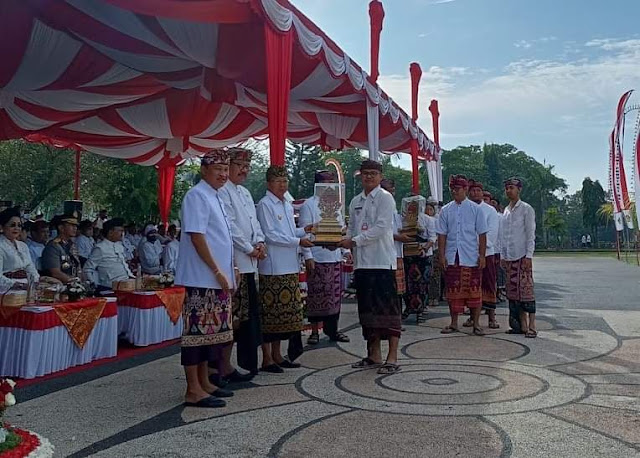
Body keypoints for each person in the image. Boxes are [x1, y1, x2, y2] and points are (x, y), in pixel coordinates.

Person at [175, 149, 237, 408]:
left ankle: (204, 382)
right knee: (196, 336)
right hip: (202, 278)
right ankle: (192, 389)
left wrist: (230, 269)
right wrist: (216, 270)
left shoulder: (215, 196)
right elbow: (197, 236)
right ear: (204, 170)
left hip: (216, 278)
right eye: (217, 170)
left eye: (225, 170)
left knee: (211, 335)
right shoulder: (197, 195)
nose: (223, 174)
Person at [339, 160, 401, 375]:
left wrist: (355, 241)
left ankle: (392, 356)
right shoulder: (356, 200)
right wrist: (343, 244)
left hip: (382, 262)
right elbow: (351, 228)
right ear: (360, 176)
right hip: (362, 263)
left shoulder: (386, 198)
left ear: (380, 176)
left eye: (373, 174)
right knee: (367, 312)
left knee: (389, 311)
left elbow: (382, 227)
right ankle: (373, 354)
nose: (369, 177)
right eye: (365, 174)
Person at [256, 165, 314, 373]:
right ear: (268, 184)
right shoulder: (265, 205)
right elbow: (271, 235)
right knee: (270, 315)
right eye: (278, 181)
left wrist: (303, 231)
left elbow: (289, 231)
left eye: (285, 180)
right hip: (273, 267)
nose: (283, 185)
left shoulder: (287, 204)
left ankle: (278, 355)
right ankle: (267, 358)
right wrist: (299, 241)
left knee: (285, 316)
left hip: (289, 265)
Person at [218, 147, 266, 378]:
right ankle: (223, 365)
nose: (244, 170)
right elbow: (230, 227)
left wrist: (259, 242)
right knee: (232, 318)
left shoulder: (245, 194)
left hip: (250, 265)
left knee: (246, 319)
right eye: (240, 165)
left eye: (247, 166)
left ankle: (239, 363)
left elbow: (254, 223)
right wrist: (249, 248)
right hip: (234, 263)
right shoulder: (223, 191)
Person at [299, 170, 350, 345]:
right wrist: (308, 256)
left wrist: (345, 251)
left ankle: (332, 330)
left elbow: (342, 226)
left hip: (334, 254)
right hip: (317, 254)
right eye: (327, 182)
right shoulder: (309, 205)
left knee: (334, 296)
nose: (330, 185)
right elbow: (305, 231)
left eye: (332, 182)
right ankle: (314, 331)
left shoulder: (336, 203)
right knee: (316, 295)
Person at [436, 175, 488, 336]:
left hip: (471, 256)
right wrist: (442, 255)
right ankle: (453, 323)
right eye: (452, 189)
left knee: (474, 290)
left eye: (457, 189)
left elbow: (482, 234)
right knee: (452, 291)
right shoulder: (446, 210)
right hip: (453, 256)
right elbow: (442, 235)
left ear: (465, 189)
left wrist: (482, 255)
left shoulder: (476, 209)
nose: (454, 192)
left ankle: (476, 323)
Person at [501, 177, 537, 338]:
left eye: (512, 188)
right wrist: (503, 255)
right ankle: (520, 325)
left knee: (526, 292)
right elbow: (503, 235)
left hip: (522, 256)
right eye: (507, 188)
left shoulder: (526, 209)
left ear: (519, 189)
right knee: (513, 294)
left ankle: (532, 326)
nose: (509, 190)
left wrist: (529, 255)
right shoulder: (506, 211)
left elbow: (530, 234)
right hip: (509, 257)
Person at [464, 181, 501, 329]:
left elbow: (491, 234)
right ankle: (473, 317)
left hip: (487, 253)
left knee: (489, 284)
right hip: (470, 255)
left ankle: (492, 318)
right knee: (472, 286)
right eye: (472, 191)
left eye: (478, 190)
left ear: (482, 192)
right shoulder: (465, 209)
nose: (475, 193)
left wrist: (479, 246)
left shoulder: (490, 211)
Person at [380, 179, 410, 320]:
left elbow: (396, 229)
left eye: (392, 191)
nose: (391, 193)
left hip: (397, 253)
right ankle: (389, 319)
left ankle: (395, 318)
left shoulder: (395, 210)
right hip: (385, 254)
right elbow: (381, 232)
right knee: (388, 289)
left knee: (398, 290)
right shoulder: (379, 208)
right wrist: (399, 237)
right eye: (388, 190)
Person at [84, 218, 133, 290]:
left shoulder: (119, 245)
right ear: (110, 232)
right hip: (110, 287)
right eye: (120, 231)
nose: (122, 234)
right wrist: (94, 285)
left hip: (126, 282)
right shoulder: (100, 248)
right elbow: (87, 269)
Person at [0, 207, 40, 292]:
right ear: (2, 227)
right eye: (12, 225)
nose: (17, 228)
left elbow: (31, 269)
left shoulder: (23, 246)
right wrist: (18, 285)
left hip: (28, 289)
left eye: (19, 225)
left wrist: (34, 282)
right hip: (7, 292)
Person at [41, 214, 81, 283]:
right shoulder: (53, 247)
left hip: (73, 285)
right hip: (58, 286)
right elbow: (56, 273)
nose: (75, 228)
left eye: (76, 226)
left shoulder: (72, 245)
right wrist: (75, 284)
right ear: (61, 228)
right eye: (72, 225)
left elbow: (78, 269)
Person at [425, 201, 441, 307]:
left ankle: (435, 296)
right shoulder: (421, 220)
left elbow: (439, 235)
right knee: (427, 276)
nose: (428, 211)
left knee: (435, 275)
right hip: (425, 250)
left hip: (435, 249)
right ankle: (428, 297)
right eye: (426, 209)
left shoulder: (436, 221)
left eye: (430, 209)